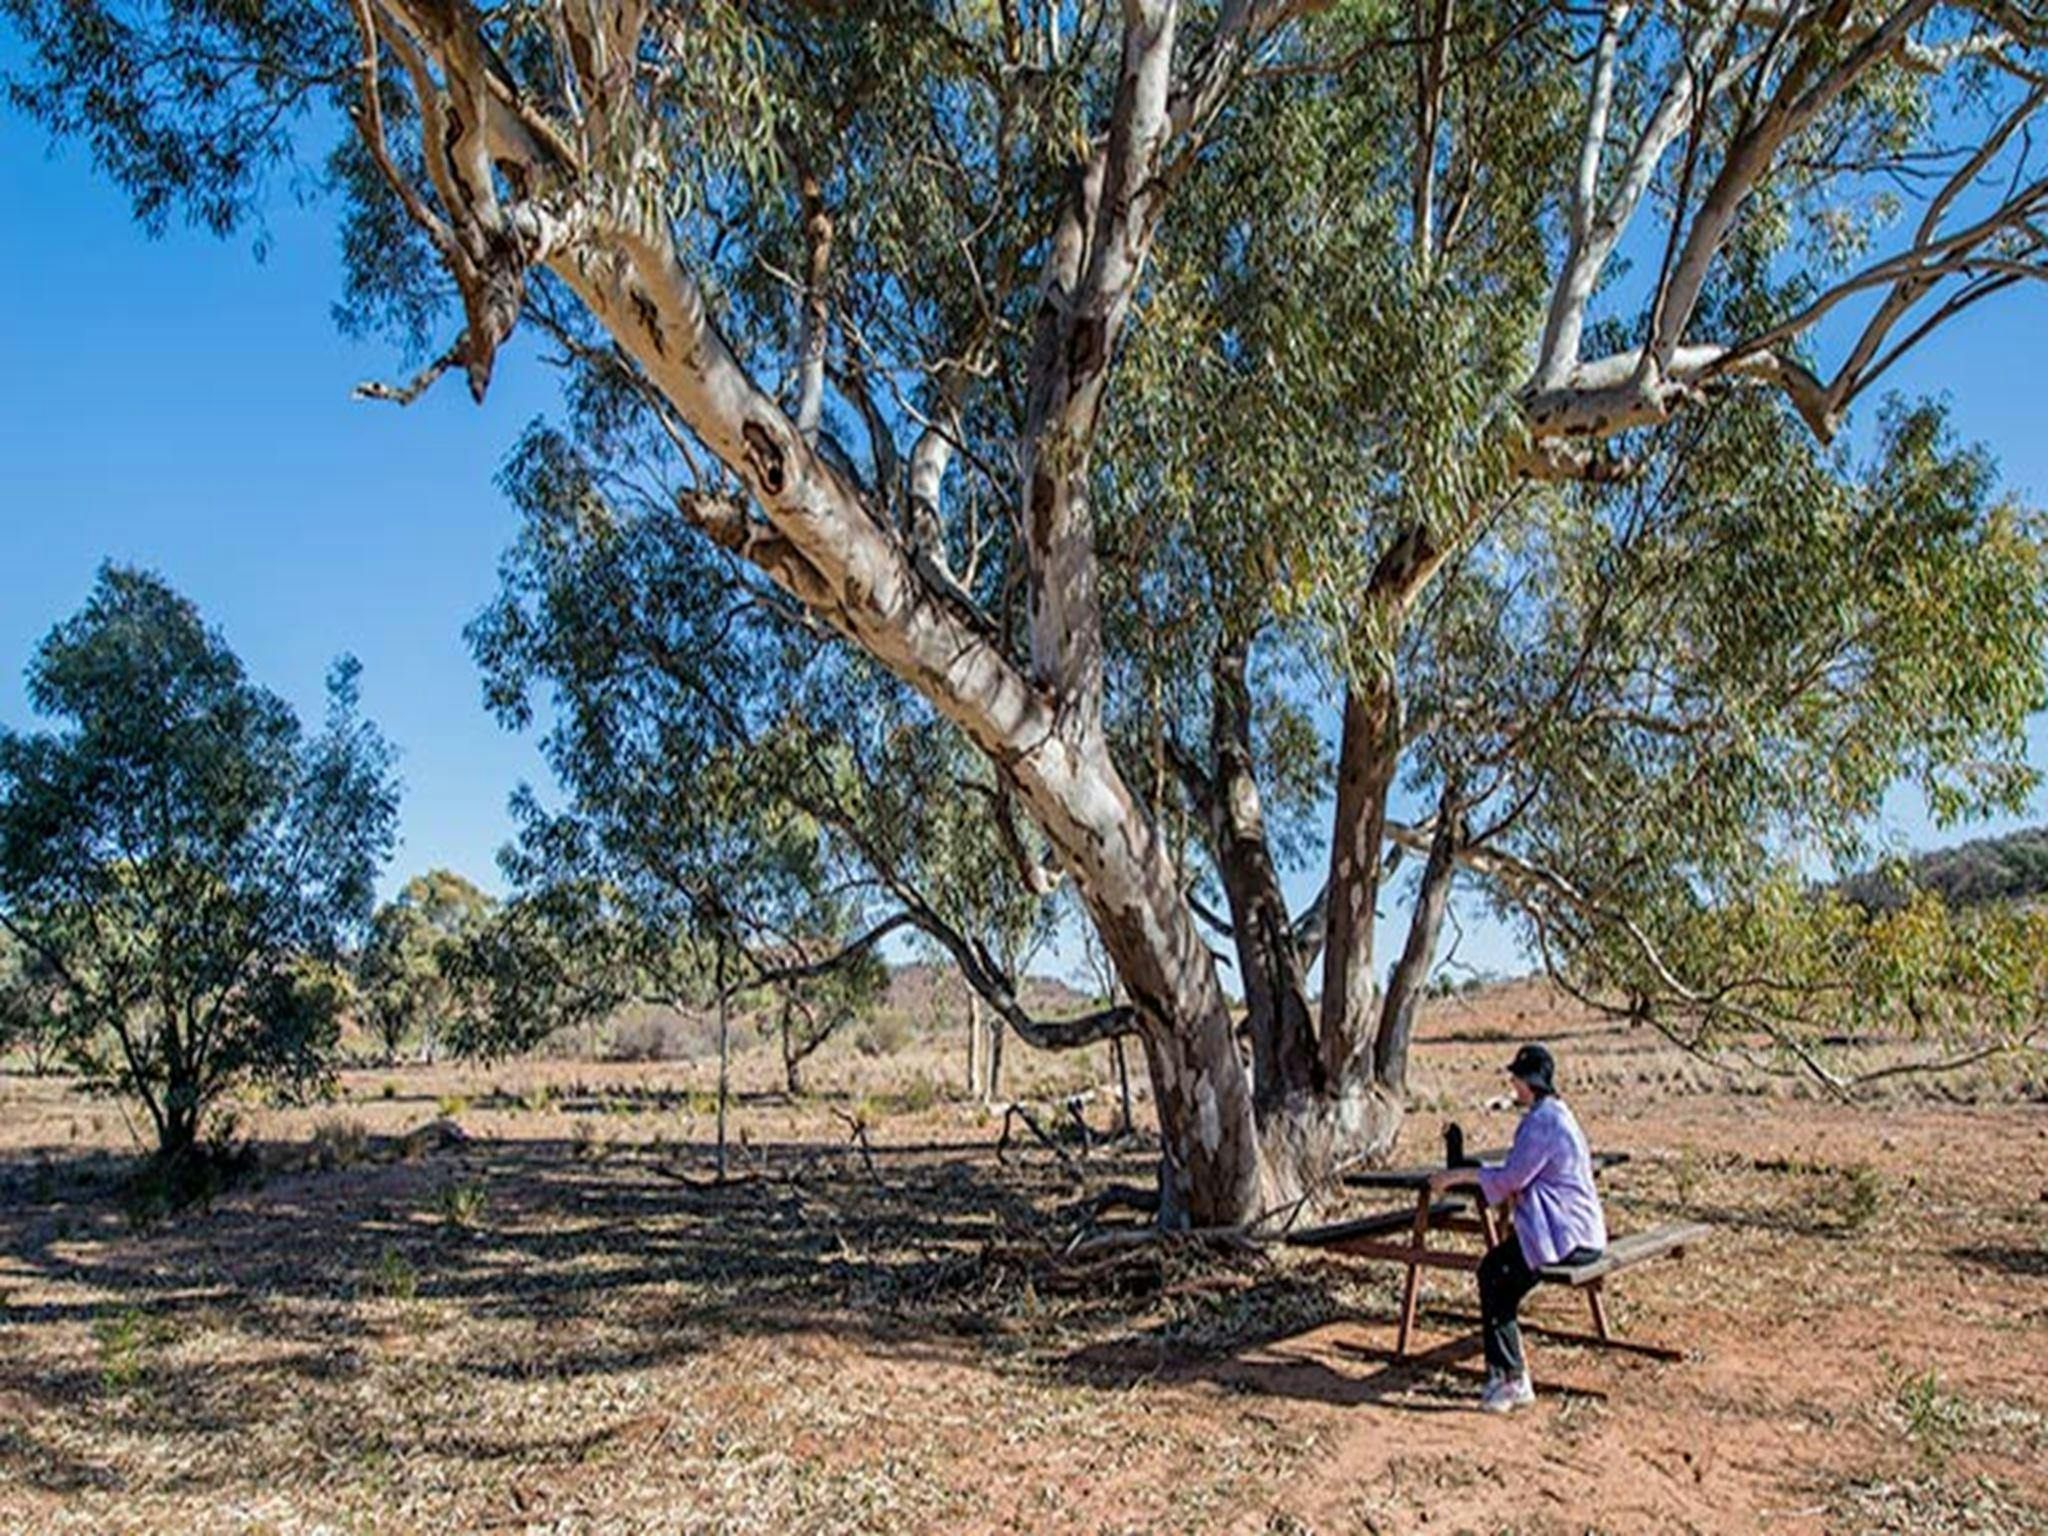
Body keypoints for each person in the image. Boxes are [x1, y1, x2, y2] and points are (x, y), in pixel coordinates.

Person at [1428, 1043, 1607, 1413]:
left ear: (1530, 1081)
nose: (1512, 1083)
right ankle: (1511, 1372)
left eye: (1516, 1077)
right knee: (1500, 1274)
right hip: (1581, 1232)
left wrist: (1456, 1176)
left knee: (1493, 1275)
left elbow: (1511, 1177)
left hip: (1564, 1236)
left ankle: (1510, 1380)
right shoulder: (1557, 1114)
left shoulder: (1543, 1122)